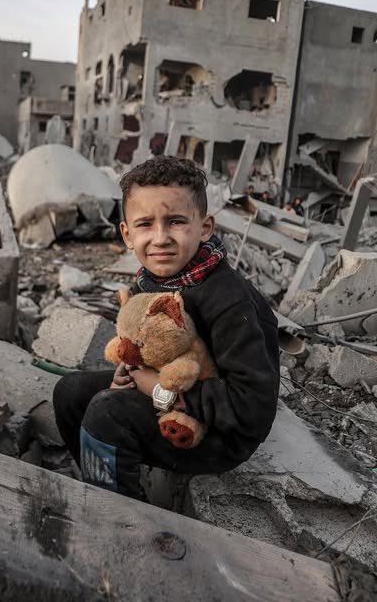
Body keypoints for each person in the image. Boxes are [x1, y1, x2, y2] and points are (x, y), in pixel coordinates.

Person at [53, 156, 280, 500]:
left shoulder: (228, 300)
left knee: (106, 414)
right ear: (127, 235)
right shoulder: (154, 280)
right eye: (145, 224)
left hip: (216, 434)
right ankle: (100, 482)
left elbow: (253, 409)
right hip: (167, 395)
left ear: (205, 228)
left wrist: (161, 391)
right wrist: (127, 375)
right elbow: (152, 344)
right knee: (69, 393)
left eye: (175, 221)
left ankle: (122, 519)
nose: (160, 238)